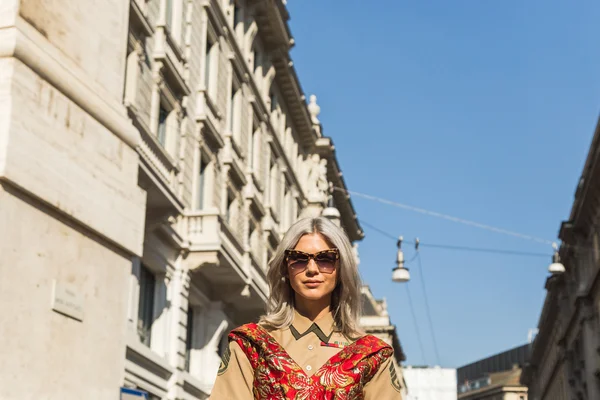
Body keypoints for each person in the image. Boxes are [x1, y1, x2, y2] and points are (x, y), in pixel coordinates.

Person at [210, 217, 403, 399]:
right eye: (299, 259)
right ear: (285, 267)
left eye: (325, 258)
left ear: (341, 267)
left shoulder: (371, 355)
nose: (312, 269)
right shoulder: (250, 345)